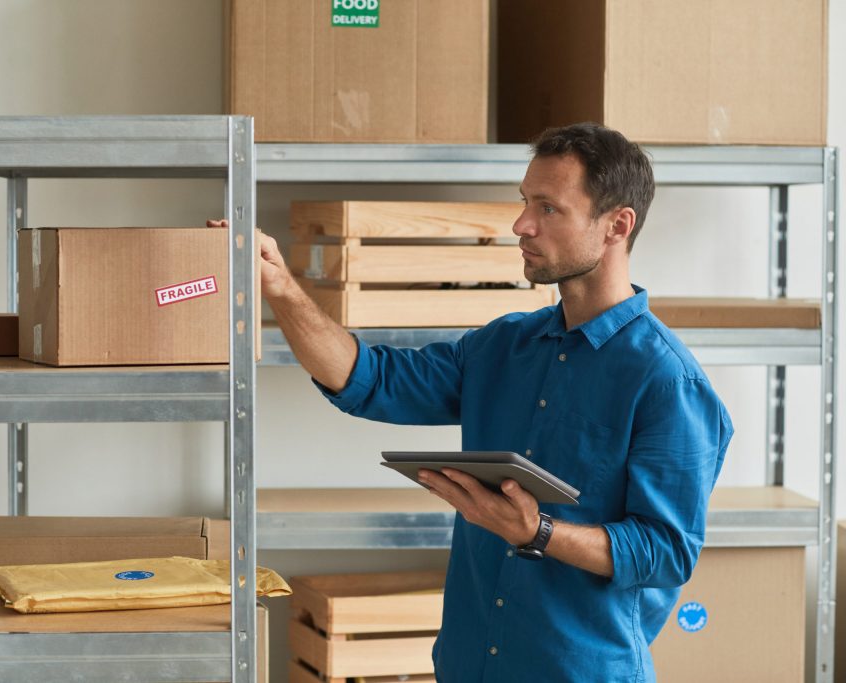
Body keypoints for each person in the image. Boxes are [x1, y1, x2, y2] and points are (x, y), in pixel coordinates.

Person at [216, 122, 733, 682]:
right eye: (523, 202)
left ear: (617, 225)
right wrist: (280, 286)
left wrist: (537, 533)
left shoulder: (666, 381)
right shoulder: (504, 345)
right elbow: (369, 379)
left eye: (548, 208)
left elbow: (665, 553)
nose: (521, 224)